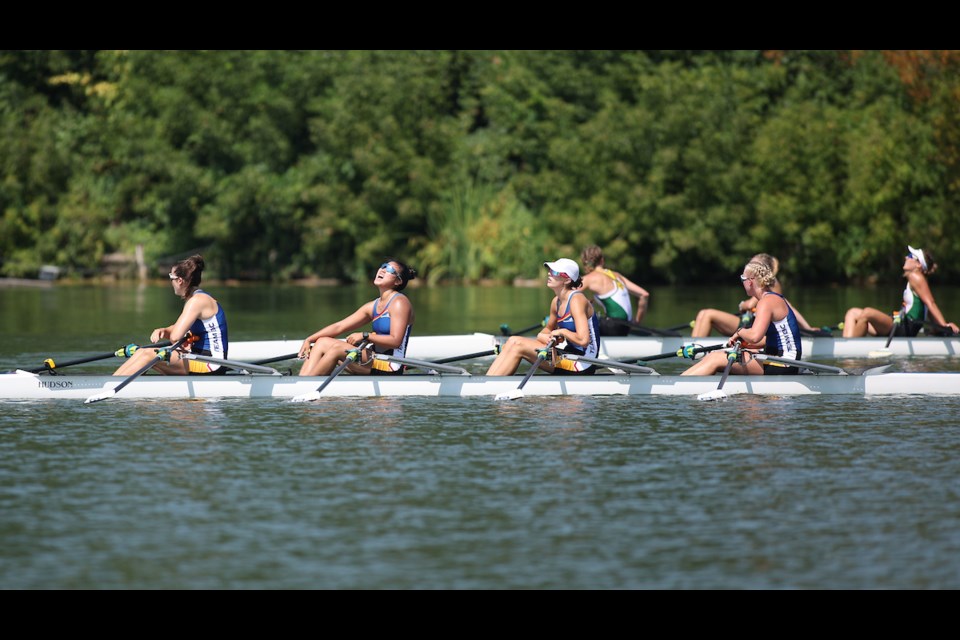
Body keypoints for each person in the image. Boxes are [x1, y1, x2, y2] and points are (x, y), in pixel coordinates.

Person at [113, 255, 228, 375]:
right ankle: (112, 381)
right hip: (198, 356)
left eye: (171, 277)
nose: (170, 282)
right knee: (141, 352)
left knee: (147, 355)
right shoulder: (196, 298)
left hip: (211, 363)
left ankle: (110, 385)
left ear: (180, 281)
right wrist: (164, 330)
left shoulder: (197, 301)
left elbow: (175, 337)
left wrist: (173, 337)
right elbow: (178, 327)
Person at [682, 259, 802, 376]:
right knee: (715, 355)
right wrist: (746, 344)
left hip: (785, 363)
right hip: (779, 358)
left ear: (750, 281)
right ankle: (683, 381)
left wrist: (740, 332)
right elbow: (769, 339)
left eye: (742, 279)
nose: (742, 283)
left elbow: (754, 336)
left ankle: (678, 387)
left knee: (715, 359)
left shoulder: (766, 302)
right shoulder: (770, 298)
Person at [298, 259, 416, 376]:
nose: (382, 270)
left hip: (391, 365)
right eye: (383, 266)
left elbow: (396, 341)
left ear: (398, 281)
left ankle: (308, 385)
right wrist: (309, 339)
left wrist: (365, 336)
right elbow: (339, 326)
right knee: (322, 342)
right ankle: (302, 381)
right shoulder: (372, 306)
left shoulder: (400, 302)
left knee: (337, 348)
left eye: (389, 269)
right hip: (373, 357)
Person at [487, 258, 601, 376]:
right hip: (569, 354)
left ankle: (490, 385)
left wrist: (563, 332)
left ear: (567, 280)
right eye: (550, 270)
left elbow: (583, 340)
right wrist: (542, 335)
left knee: (518, 344)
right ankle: (487, 381)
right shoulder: (556, 302)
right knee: (512, 341)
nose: (549, 273)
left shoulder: (577, 300)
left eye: (555, 272)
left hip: (584, 362)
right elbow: (548, 329)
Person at [842, 245, 959, 337]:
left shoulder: (916, 277)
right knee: (852, 313)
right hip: (899, 322)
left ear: (918, 265)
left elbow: (930, 303)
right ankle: (846, 347)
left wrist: (944, 327)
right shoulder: (916, 280)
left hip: (905, 327)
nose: (906, 257)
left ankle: (850, 351)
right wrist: (937, 328)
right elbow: (926, 309)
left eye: (910, 255)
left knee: (867, 312)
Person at [690, 253, 816, 337]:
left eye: (753, 263)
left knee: (708, 314)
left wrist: (807, 328)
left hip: (755, 327)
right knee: (703, 313)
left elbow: (787, 306)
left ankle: (695, 349)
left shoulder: (771, 283)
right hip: (751, 322)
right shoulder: (759, 284)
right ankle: (693, 347)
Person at [579, 244, 651, 336]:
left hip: (612, 327)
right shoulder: (617, 275)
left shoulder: (589, 278)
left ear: (585, 263)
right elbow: (644, 294)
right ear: (602, 260)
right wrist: (636, 322)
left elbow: (568, 295)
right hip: (626, 327)